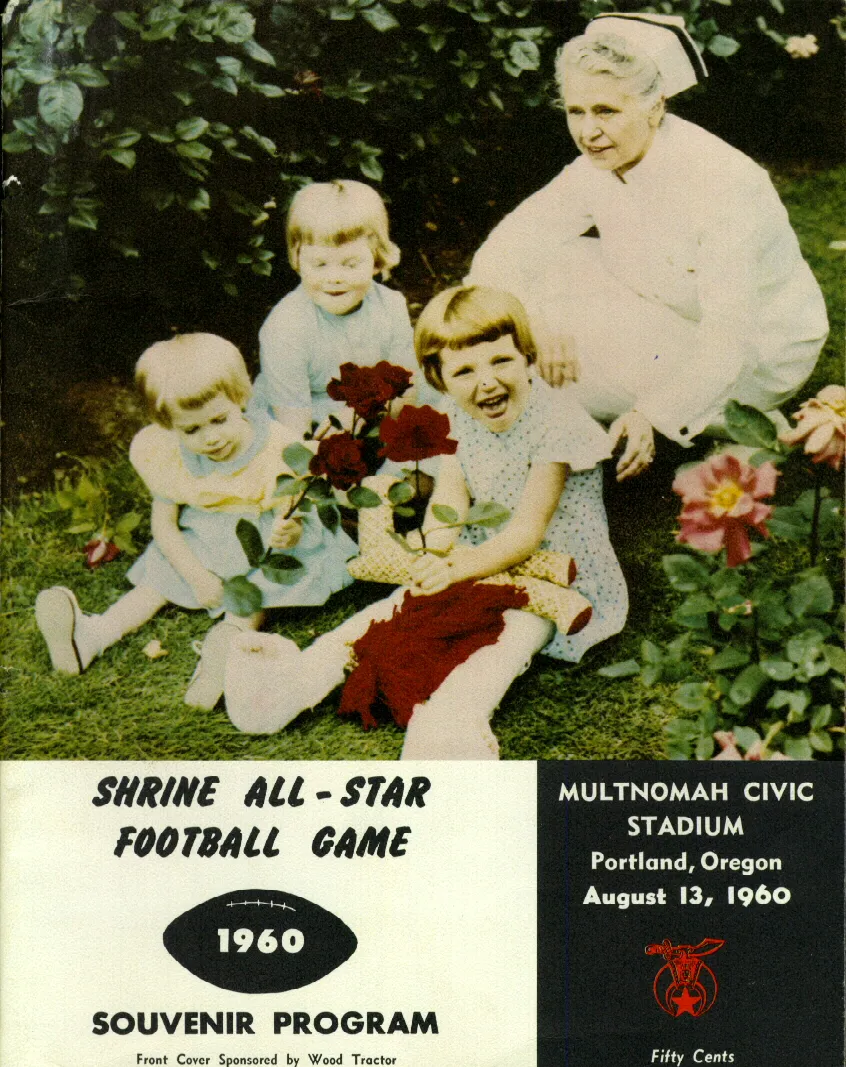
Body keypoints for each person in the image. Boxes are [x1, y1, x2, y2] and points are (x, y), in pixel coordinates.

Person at [224, 286, 628, 758]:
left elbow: (526, 532)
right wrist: (431, 553)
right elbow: (451, 499)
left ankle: (453, 719)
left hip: (551, 573)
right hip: (476, 551)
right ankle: (297, 680)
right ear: (440, 379)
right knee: (398, 607)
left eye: (501, 361)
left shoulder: (554, 422)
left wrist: (454, 568)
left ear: (527, 358)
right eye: (464, 371)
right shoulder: (456, 415)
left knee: (503, 641)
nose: (487, 382)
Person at [467, 12, 828, 480]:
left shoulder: (722, 184)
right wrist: (537, 323)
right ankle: (695, 414)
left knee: (564, 372)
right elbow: (501, 251)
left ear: (655, 107)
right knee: (550, 267)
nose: (588, 132)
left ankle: (748, 424)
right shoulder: (595, 165)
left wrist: (651, 415)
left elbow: (728, 337)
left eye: (606, 111)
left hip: (758, 352)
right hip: (670, 310)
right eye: (576, 111)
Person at [35, 333, 356, 709]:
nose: (211, 438)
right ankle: (91, 636)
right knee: (155, 584)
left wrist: (290, 530)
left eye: (219, 420)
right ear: (169, 425)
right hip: (203, 537)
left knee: (253, 591)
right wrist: (195, 575)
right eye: (192, 430)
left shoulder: (275, 447)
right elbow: (164, 526)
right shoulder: (166, 453)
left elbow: (296, 510)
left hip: (261, 535)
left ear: (240, 399)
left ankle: (223, 654)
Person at [252, 179, 423, 438]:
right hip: (308, 420)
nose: (334, 278)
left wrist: (364, 411)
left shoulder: (390, 305)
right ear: (298, 259)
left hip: (376, 407)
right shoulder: (285, 328)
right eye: (319, 264)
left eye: (350, 264)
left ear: (376, 259)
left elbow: (406, 387)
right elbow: (293, 431)